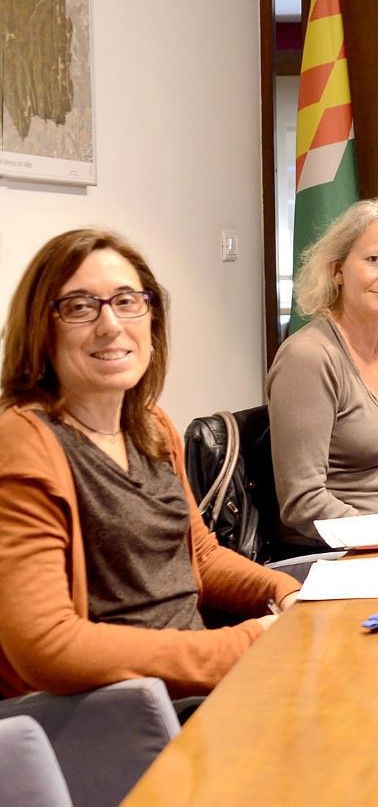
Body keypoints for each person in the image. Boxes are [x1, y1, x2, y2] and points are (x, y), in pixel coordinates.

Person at [0, 229, 301, 698]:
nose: (110, 325)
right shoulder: (24, 441)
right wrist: (241, 645)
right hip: (121, 715)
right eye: (80, 306)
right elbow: (47, 645)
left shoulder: (151, 426)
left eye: (127, 301)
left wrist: (283, 591)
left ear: (151, 318)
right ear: (42, 327)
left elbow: (198, 556)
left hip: (198, 684)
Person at [267, 198, 378, 547]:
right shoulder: (309, 357)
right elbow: (303, 503)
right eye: (374, 259)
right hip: (345, 554)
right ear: (337, 270)